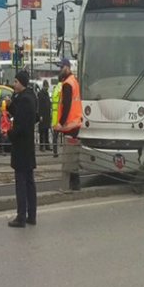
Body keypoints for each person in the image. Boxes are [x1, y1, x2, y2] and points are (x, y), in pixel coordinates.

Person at [7, 71, 37, 228]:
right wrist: (11, 106)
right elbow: (22, 115)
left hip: (22, 147)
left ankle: (21, 217)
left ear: (22, 83)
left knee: (22, 183)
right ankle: (31, 215)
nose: (14, 84)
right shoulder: (30, 97)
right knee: (30, 182)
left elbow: (21, 125)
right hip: (28, 146)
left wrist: (9, 134)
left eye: (16, 81)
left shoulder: (25, 100)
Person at [54, 58, 83, 190]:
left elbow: (66, 105)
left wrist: (61, 123)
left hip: (70, 124)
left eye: (61, 68)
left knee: (69, 155)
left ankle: (71, 184)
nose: (59, 70)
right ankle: (74, 183)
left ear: (67, 67)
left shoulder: (67, 84)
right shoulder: (74, 81)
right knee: (72, 154)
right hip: (75, 122)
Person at [37, 80, 52, 151]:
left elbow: (48, 104)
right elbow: (39, 106)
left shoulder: (46, 94)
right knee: (42, 131)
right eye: (46, 86)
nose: (47, 88)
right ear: (44, 86)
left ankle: (47, 145)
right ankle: (41, 146)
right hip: (43, 115)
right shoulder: (40, 94)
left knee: (46, 131)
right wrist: (40, 115)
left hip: (47, 115)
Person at [50, 80, 62, 157]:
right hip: (61, 116)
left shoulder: (55, 89)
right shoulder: (62, 88)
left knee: (55, 136)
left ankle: (55, 152)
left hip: (55, 116)